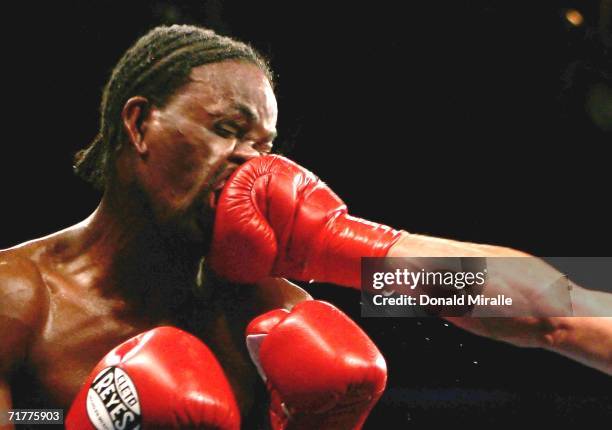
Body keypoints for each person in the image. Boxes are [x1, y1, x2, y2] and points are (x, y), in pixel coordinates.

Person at [0, 24, 610, 430]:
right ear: (139, 126)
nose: (251, 161)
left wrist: (347, 248)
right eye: (226, 129)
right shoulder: (16, 299)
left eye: (262, 143)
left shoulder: (265, 312)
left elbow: (551, 317)